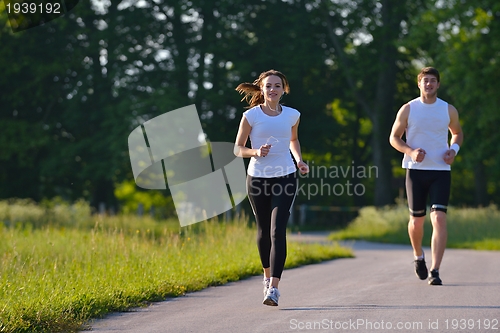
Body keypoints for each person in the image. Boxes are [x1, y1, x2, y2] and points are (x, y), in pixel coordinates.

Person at [233, 69, 309, 306]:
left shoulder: (292, 115)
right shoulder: (251, 116)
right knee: (264, 231)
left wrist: (299, 160)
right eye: (268, 86)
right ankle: (266, 277)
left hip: (285, 176)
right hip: (257, 177)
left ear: (284, 89)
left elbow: (293, 140)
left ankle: (274, 288)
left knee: (278, 231)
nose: (273, 89)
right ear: (262, 89)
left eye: (277, 85)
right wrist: (255, 152)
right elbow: (237, 148)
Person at [389, 67, 463, 285]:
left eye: (433, 81)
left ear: (438, 84)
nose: (429, 84)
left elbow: (457, 133)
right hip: (415, 171)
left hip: (440, 170)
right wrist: (411, 151)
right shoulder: (408, 109)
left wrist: (453, 150)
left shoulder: (448, 109)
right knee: (417, 221)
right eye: (425, 81)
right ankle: (418, 256)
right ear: (419, 84)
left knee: (439, 218)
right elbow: (394, 138)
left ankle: (436, 271)